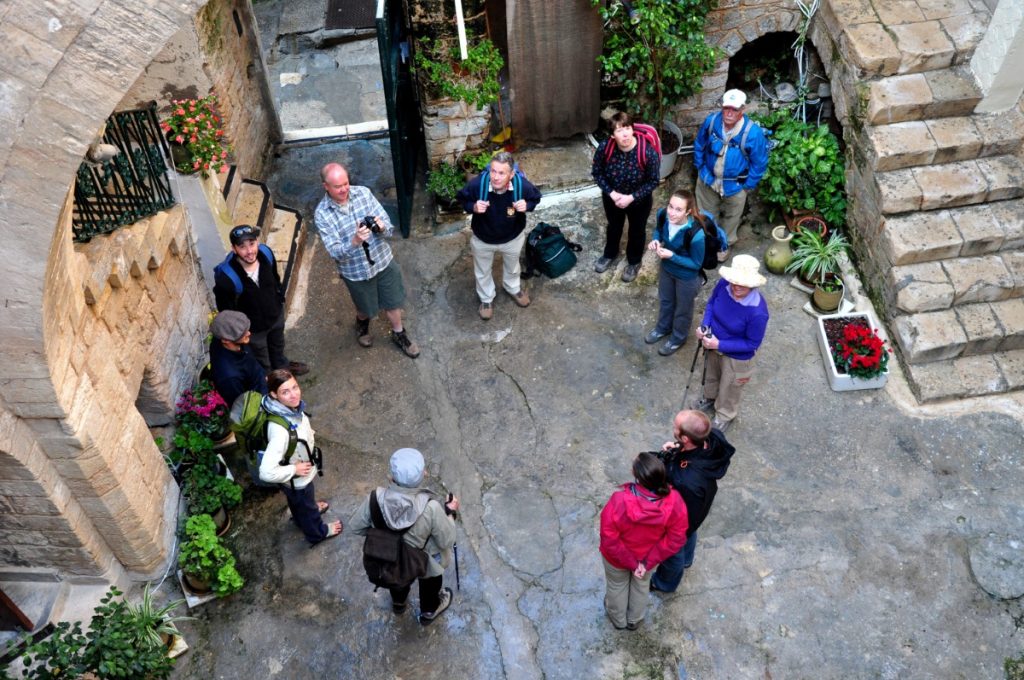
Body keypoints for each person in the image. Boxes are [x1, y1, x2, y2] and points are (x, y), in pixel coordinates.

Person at [314, 163, 419, 358]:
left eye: (346, 183)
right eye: (338, 186)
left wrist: (380, 227)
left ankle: (399, 333)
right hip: (355, 271)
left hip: (382, 260)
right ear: (325, 186)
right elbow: (335, 252)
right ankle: (362, 322)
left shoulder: (363, 193)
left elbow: (388, 226)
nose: (344, 189)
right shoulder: (322, 214)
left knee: (393, 301)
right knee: (366, 307)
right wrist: (354, 242)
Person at [349, 448, 459, 625]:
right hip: (422, 560)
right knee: (431, 579)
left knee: (397, 577)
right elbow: (447, 540)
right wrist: (450, 514)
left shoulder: (375, 498)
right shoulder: (431, 508)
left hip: (389, 558)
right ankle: (429, 611)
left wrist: (382, 536)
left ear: (391, 477)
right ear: (424, 474)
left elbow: (355, 527)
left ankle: (399, 604)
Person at [599, 452, 688, 630]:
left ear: (635, 474)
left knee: (617, 585)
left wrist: (631, 562)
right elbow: (676, 538)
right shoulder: (675, 501)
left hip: (617, 558)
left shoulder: (619, 500)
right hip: (647, 557)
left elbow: (609, 538)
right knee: (641, 585)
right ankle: (635, 620)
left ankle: (618, 620)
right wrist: (647, 561)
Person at [650, 410, 735, 593]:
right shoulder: (711, 438)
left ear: (686, 439)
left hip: (682, 519)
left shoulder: (685, 479)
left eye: (675, 427)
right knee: (690, 534)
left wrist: (666, 459)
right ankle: (687, 559)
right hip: (696, 513)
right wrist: (676, 448)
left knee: (672, 554)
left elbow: (670, 492)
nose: (673, 428)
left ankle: (665, 583)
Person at [456, 151, 542, 320]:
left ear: (511, 174)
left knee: (512, 266)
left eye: (501, 173)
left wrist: (528, 205)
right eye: (493, 171)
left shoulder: (521, 186)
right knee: (482, 270)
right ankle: (486, 298)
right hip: (483, 238)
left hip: (512, 237)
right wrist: (473, 207)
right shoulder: (477, 184)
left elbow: (536, 198)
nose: (495, 177)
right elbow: (461, 199)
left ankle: (512, 287)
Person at [258, 369, 341, 545]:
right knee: (304, 500)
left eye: (294, 387)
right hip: (296, 479)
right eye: (285, 392)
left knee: (298, 501)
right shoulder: (280, 431)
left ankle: (301, 516)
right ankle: (317, 532)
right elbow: (265, 472)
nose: (293, 395)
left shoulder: (287, 409)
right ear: (274, 394)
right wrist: (294, 469)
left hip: (292, 481)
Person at [213, 224, 308, 375]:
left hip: (275, 315)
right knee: (261, 358)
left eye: (252, 244)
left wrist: (278, 303)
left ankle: (283, 368)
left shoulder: (266, 255)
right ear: (234, 249)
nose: (249, 251)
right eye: (242, 247)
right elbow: (226, 312)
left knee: (278, 346)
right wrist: (241, 333)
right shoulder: (227, 278)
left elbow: (275, 280)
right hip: (253, 330)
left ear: (257, 241)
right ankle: (271, 381)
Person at [695, 254, 769, 432]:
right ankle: (710, 398)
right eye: (734, 281)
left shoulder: (758, 312)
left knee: (730, 387)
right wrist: (705, 326)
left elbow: (752, 344)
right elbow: (711, 304)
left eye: (742, 283)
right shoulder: (723, 285)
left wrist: (719, 345)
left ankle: (725, 415)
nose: (736, 286)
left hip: (737, 357)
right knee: (712, 374)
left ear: (753, 284)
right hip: (713, 342)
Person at [693, 89, 770, 252]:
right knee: (706, 213)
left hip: (735, 185)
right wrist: (700, 167)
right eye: (726, 108)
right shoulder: (711, 122)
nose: (729, 113)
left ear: (742, 110)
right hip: (708, 178)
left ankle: (723, 244)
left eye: (734, 109)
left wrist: (747, 186)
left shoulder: (753, 134)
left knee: (732, 217)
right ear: (722, 107)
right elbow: (699, 144)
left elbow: (760, 162)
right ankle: (709, 240)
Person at [592, 111, 660, 283]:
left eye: (627, 128)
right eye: (619, 130)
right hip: (613, 198)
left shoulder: (647, 151)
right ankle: (610, 254)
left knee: (637, 230)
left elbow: (653, 181)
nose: (625, 134)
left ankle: (634, 261)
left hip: (639, 200)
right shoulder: (605, 148)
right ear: (612, 135)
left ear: (633, 129)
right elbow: (597, 173)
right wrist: (613, 194)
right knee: (614, 226)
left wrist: (631, 197)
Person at [644, 189, 708, 357]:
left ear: (688, 211)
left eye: (678, 209)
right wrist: (656, 240)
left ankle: (678, 338)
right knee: (666, 301)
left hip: (687, 277)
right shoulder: (663, 215)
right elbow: (658, 230)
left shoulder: (696, 235)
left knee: (683, 309)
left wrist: (672, 256)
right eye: (670, 206)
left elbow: (696, 264)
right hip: (667, 269)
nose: (672, 213)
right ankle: (663, 328)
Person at [208, 310, 266, 406]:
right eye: (242, 333)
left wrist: (263, 376)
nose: (248, 333)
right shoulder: (229, 377)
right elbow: (241, 404)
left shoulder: (227, 340)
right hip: (258, 399)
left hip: (260, 381)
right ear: (226, 340)